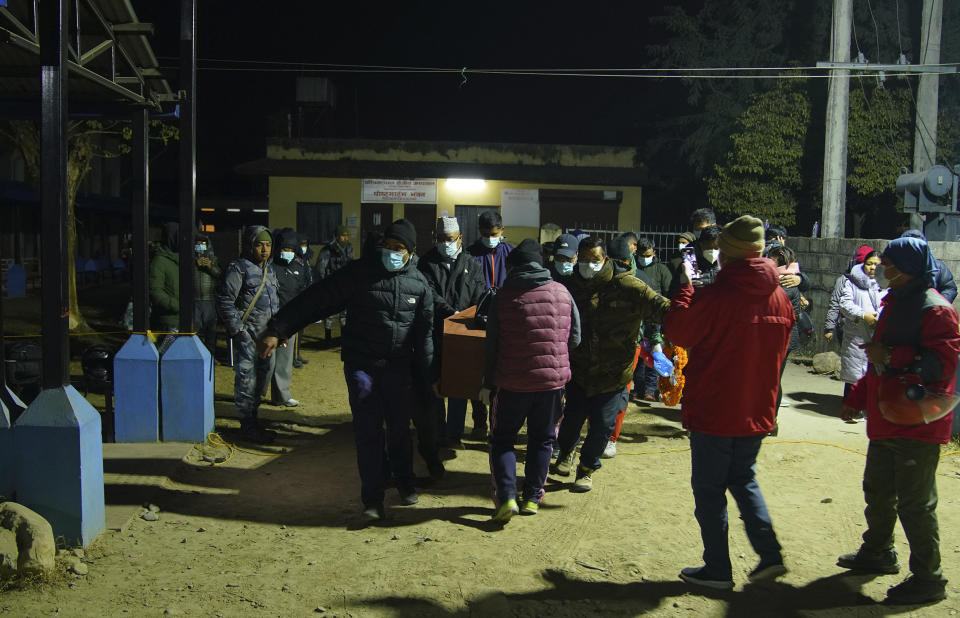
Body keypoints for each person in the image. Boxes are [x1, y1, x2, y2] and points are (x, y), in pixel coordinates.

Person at [259, 220, 434, 522]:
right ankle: (372, 499)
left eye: (399, 249)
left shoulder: (419, 285)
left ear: (410, 252)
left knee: (399, 431)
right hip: (362, 366)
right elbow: (318, 299)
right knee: (368, 432)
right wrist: (279, 328)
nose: (392, 253)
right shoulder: (359, 274)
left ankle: (404, 481)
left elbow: (425, 336)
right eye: (388, 247)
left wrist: (430, 377)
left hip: (397, 369)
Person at [663, 215, 794, 590]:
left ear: (730, 252)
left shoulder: (715, 295)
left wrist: (685, 292)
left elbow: (679, 331)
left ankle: (718, 568)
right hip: (757, 408)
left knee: (709, 491)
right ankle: (769, 555)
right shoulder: (781, 298)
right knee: (744, 479)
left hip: (715, 408)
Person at [837, 237, 959, 605]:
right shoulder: (895, 303)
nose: (882, 269)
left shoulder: (935, 310)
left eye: (889, 264)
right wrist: (858, 398)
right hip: (888, 416)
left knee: (915, 502)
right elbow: (877, 362)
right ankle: (878, 552)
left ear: (909, 268)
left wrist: (892, 354)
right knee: (878, 490)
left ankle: (928, 578)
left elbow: (943, 365)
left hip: (918, 423)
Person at [552, 236, 669, 492]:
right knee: (571, 421)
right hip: (579, 371)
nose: (587, 265)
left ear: (604, 259)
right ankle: (565, 453)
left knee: (602, 426)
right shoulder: (569, 286)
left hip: (614, 373)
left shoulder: (628, 285)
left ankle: (586, 468)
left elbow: (661, 308)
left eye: (593, 260)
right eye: (582, 260)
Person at [482, 239, 581, 522]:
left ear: (513, 266)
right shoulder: (563, 292)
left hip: (511, 384)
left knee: (502, 440)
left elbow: (492, 345)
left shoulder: (502, 296)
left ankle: (507, 497)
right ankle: (533, 498)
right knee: (542, 441)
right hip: (552, 385)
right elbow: (575, 339)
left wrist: (487, 383)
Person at [418, 217, 486, 450]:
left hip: (462, 335)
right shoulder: (426, 263)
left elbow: (480, 295)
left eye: (450, 239)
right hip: (434, 331)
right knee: (435, 383)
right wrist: (450, 312)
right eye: (441, 239)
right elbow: (428, 293)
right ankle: (437, 432)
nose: (446, 243)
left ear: (460, 239)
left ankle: (453, 435)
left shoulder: (472, 264)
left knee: (459, 384)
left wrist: (468, 316)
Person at [216, 226, 281, 444]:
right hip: (247, 337)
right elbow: (225, 301)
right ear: (250, 245)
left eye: (268, 244)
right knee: (246, 381)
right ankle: (247, 426)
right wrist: (238, 331)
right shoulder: (239, 268)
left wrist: (279, 331)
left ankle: (254, 421)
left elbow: (274, 303)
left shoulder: (269, 270)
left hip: (266, 338)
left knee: (261, 380)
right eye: (260, 244)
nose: (265, 249)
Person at [838, 250, 884, 420]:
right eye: (869, 263)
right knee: (853, 374)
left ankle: (869, 409)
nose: (872, 268)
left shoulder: (885, 283)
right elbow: (844, 304)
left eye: (876, 265)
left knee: (873, 373)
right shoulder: (852, 281)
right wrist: (862, 314)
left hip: (877, 334)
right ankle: (851, 409)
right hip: (856, 334)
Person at [267, 228, 310, 408]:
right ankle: (254, 395)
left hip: (288, 323)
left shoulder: (299, 269)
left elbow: (303, 292)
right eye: (285, 249)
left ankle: (281, 396)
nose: (288, 253)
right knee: (266, 363)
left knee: (284, 362)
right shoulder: (269, 268)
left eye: (291, 250)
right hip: (268, 323)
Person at [633, 237, 674, 402]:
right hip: (638, 317)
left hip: (654, 317)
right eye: (641, 255)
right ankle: (639, 388)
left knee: (654, 353)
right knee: (640, 355)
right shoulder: (634, 269)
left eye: (647, 254)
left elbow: (668, 291)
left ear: (654, 253)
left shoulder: (661, 270)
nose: (644, 257)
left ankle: (651, 388)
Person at [825, 245, 875, 343]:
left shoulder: (877, 282)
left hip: (872, 328)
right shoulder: (845, 280)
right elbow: (835, 304)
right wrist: (829, 328)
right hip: (848, 328)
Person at [315, 225, 355, 343]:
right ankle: (328, 338)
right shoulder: (328, 250)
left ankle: (343, 338)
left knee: (344, 313)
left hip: (345, 285)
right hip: (331, 285)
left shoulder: (349, 248)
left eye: (347, 236)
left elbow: (351, 264)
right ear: (337, 236)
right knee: (329, 312)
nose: (345, 238)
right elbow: (320, 268)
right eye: (343, 236)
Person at [149, 222, 181, 355]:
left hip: (182, 321)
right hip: (167, 323)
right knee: (163, 358)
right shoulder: (159, 262)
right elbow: (155, 292)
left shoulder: (180, 260)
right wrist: (177, 306)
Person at [901, 229, 957, 302]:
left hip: (931, 309)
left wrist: (940, 303)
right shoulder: (896, 266)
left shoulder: (938, 266)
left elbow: (949, 288)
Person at [668, 224, 721, 296]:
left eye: (716, 248)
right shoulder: (688, 267)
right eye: (708, 247)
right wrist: (686, 285)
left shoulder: (727, 267)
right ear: (701, 245)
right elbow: (673, 293)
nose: (712, 251)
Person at [466, 210, 515, 290]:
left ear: (502, 230)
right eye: (485, 235)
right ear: (480, 230)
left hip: (504, 300)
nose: (489, 239)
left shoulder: (511, 252)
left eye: (493, 234)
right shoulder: (470, 254)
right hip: (479, 301)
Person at [193, 231, 222, 359]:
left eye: (202, 244)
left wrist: (210, 267)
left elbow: (220, 275)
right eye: (197, 244)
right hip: (195, 300)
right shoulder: (189, 259)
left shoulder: (214, 259)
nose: (200, 246)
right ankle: (196, 356)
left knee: (211, 332)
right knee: (196, 331)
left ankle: (211, 356)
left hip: (210, 300)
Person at [293, 232, 314, 368]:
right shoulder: (296, 260)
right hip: (296, 298)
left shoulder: (305, 259)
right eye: (301, 244)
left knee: (300, 331)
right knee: (294, 331)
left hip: (304, 297)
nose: (304, 247)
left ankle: (297, 354)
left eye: (306, 244)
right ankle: (294, 357)